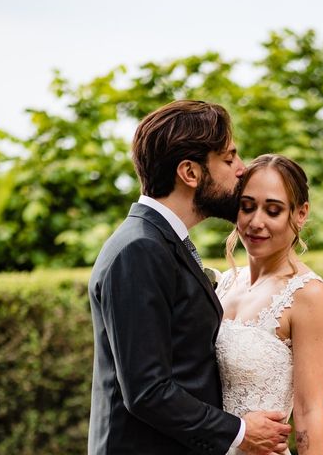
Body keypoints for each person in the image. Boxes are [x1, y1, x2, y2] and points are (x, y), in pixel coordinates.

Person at [87, 101, 291, 455]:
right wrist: (240, 432)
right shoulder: (139, 250)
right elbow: (147, 390)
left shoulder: (161, 242)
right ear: (190, 173)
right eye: (229, 159)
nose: (242, 170)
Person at [215, 154, 323, 455]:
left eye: (273, 210)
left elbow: (310, 413)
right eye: (247, 207)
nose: (256, 222)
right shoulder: (225, 284)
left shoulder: (308, 295)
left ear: (300, 214)